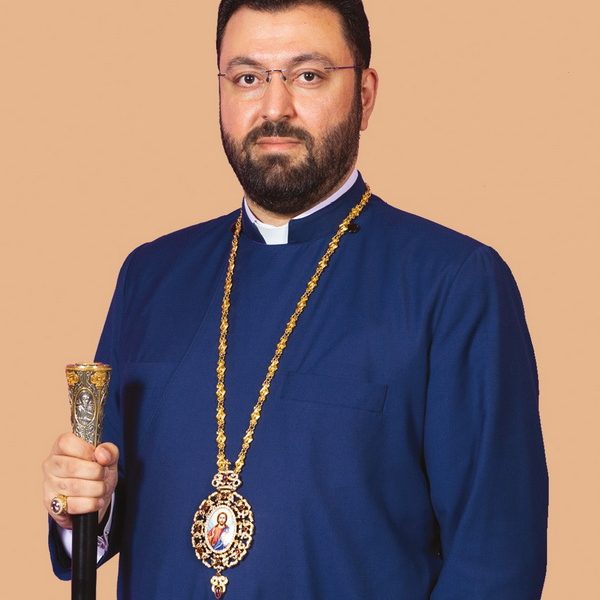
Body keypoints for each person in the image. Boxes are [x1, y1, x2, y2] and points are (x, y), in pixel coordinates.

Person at [42, 1, 549, 598]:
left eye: (308, 75)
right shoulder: (150, 276)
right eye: (247, 77)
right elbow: (101, 503)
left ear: (365, 95)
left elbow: (495, 561)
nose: (274, 107)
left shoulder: (455, 282)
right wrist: (78, 509)